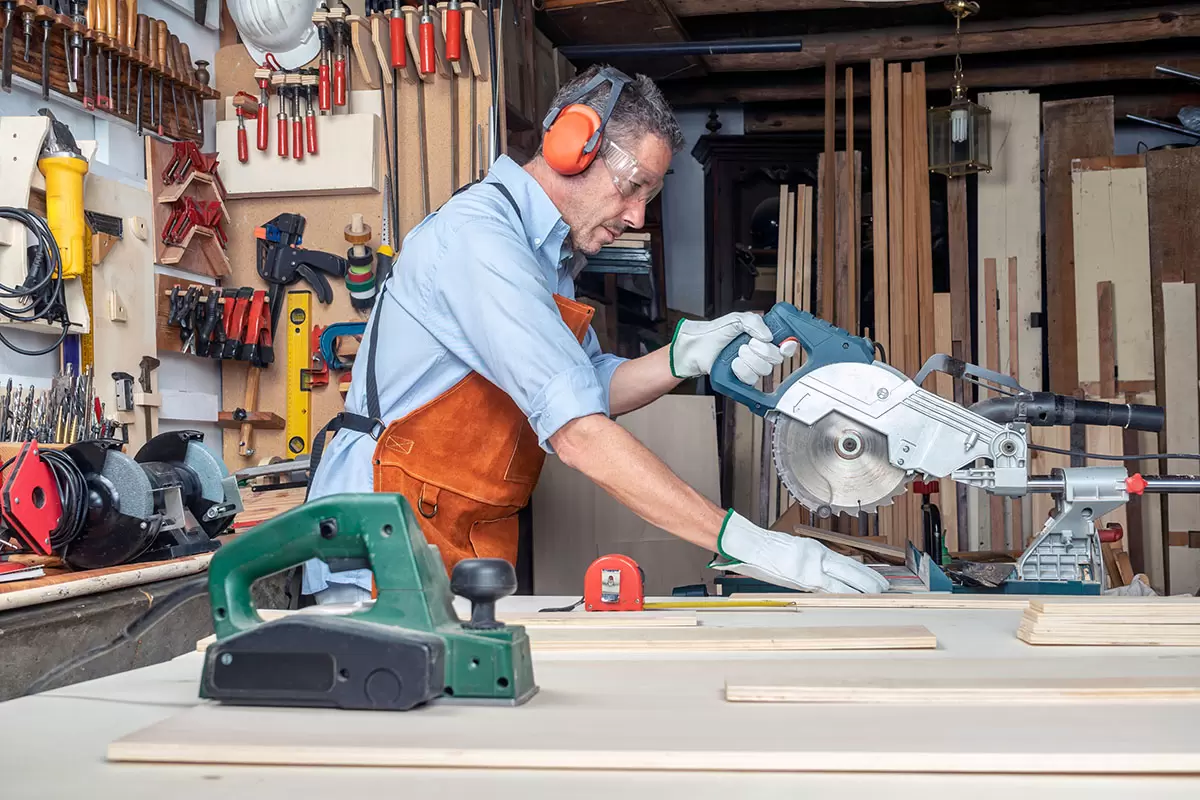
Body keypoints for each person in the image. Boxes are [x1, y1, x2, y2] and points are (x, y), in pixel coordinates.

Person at [302, 64, 888, 604]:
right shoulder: (480, 241)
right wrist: (755, 545)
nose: (637, 216)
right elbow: (578, 431)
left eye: (649, 197)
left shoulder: (549, 259)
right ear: (570, 145)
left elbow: (586, 387)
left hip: (455, 522)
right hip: (383, 523)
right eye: (633, 185)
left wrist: (685, 357)